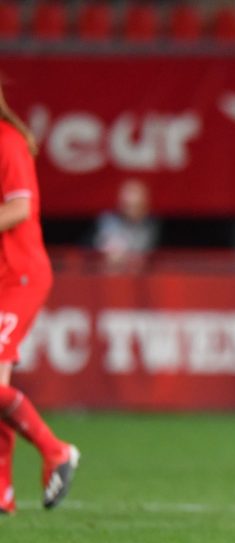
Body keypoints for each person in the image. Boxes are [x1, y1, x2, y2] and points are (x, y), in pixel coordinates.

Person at [0, 82, 80, 515]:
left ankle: (56, 450)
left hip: (20, 275)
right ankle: (2, 493)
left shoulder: (7, 142)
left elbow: (18, 208)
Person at [93, 178, 160, 271]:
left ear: (146, 204)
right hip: (111, 275)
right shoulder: (107, 223)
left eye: (137, 206)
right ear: (120, 203)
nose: (133, 212)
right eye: (128, 206)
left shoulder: (155, 226)